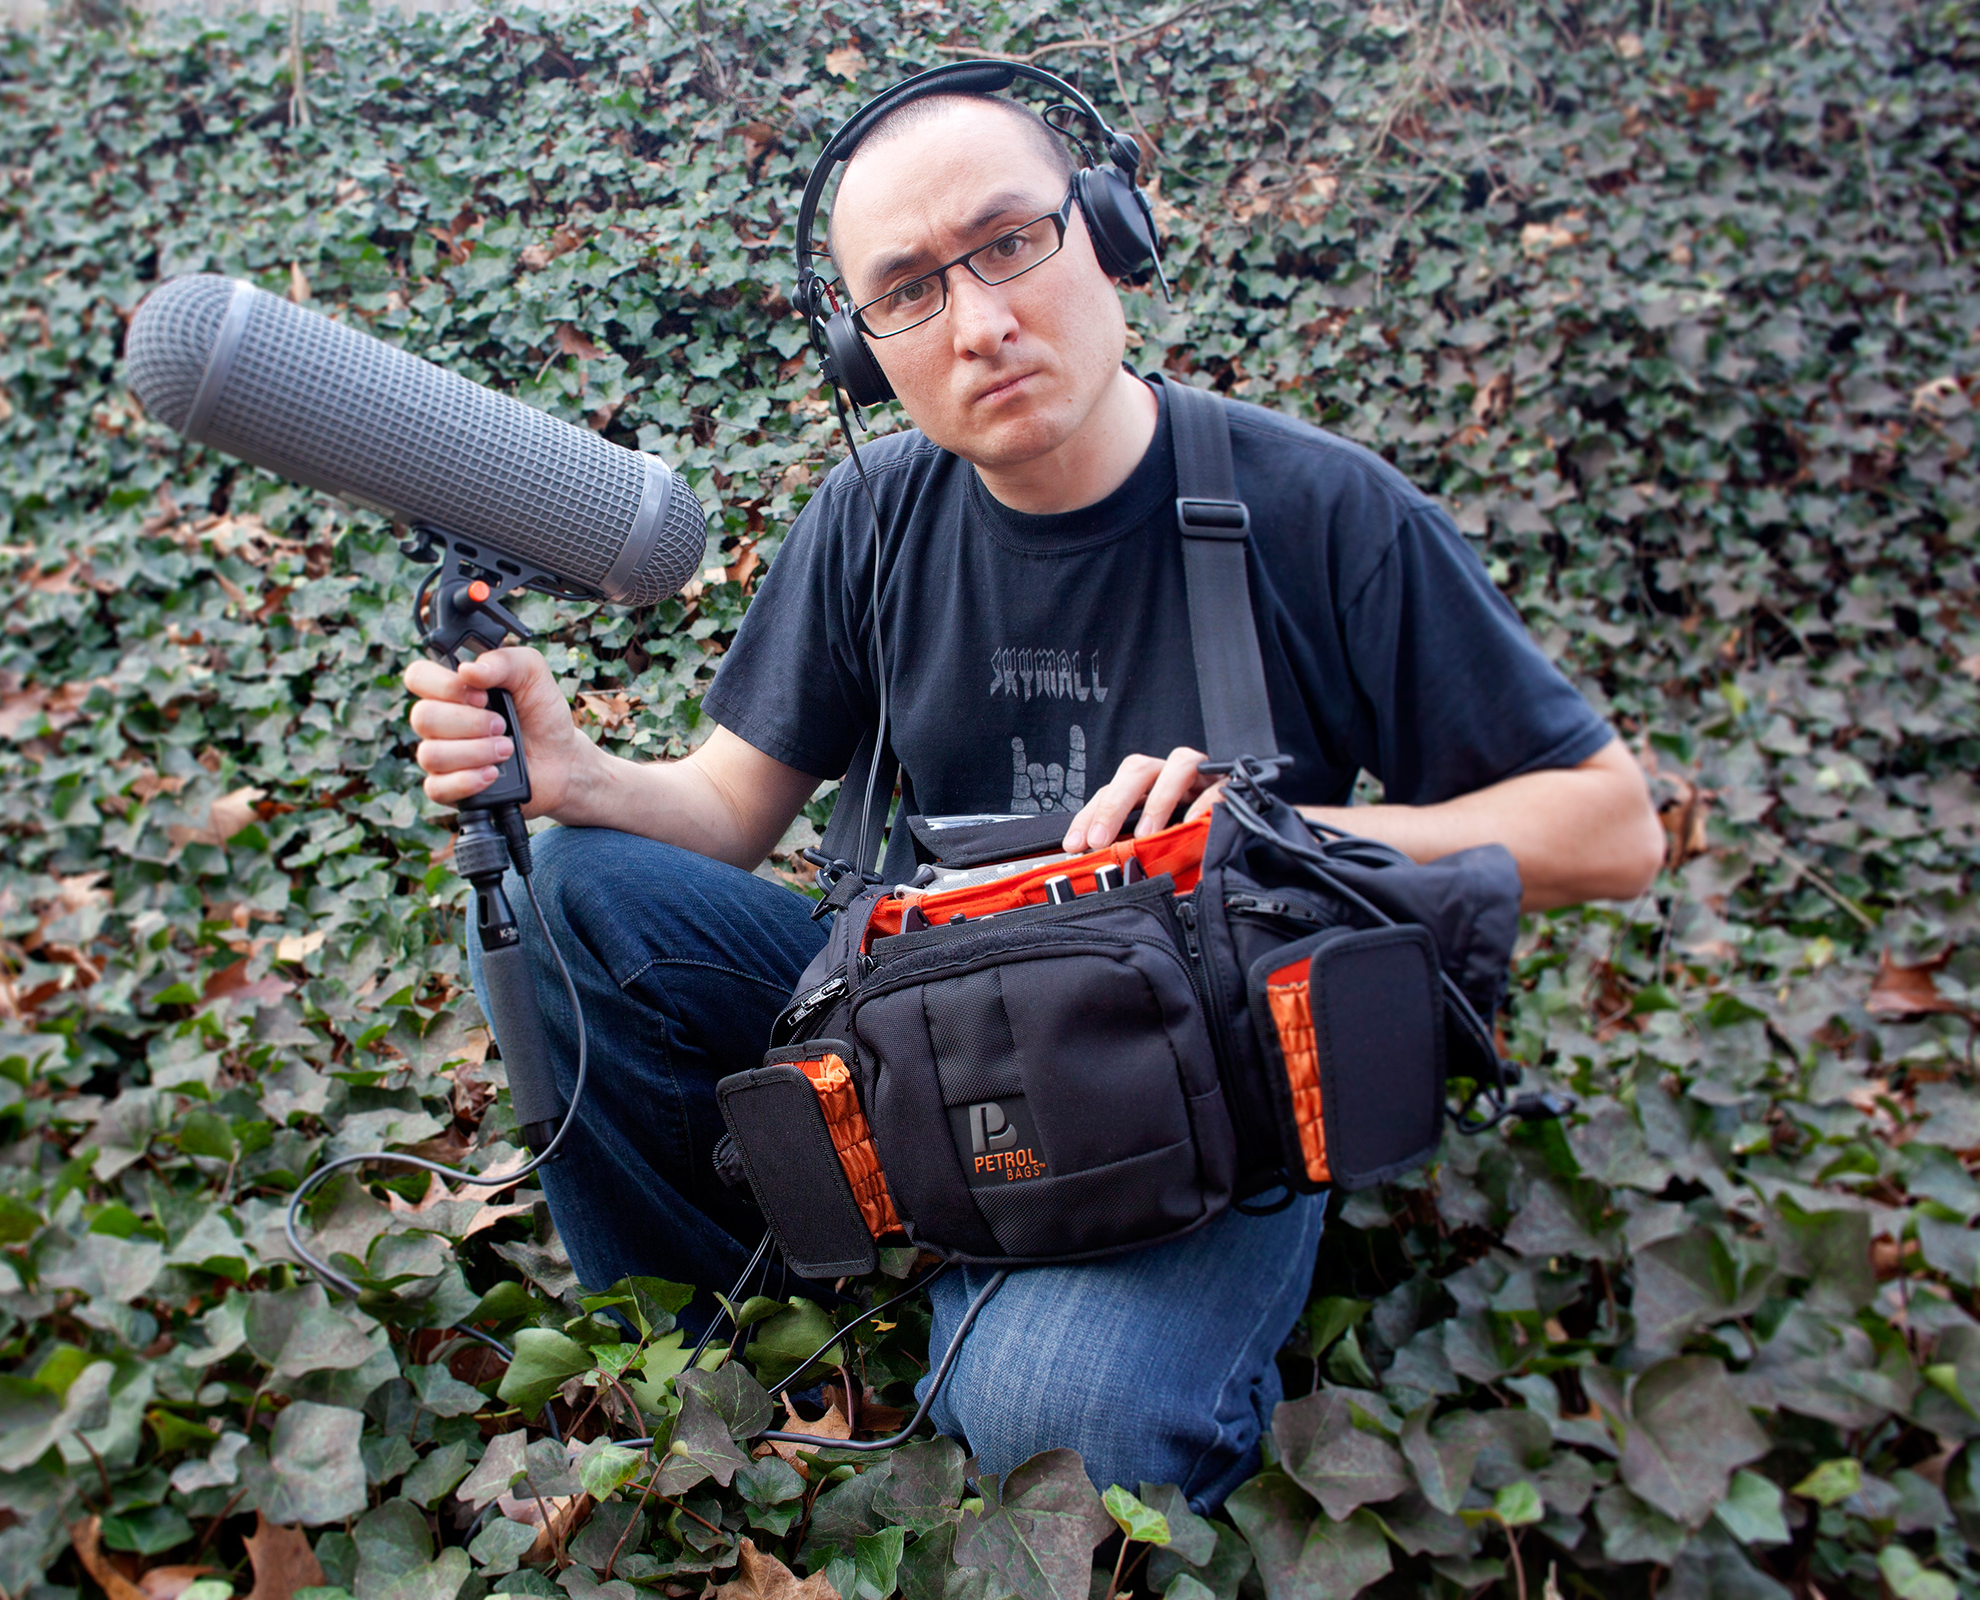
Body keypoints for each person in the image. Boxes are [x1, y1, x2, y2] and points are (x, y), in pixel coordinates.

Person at [404, 86, 1664, 1501]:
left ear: (1112, 229)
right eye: (911, 292)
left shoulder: (1320, 510)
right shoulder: (872, 519)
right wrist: (578, 777)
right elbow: (729, 813)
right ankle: (720, 1330)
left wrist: (1267, 836)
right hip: (926, 1028)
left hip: (1205, 1083)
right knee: (572, 890)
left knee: (1053, 1424)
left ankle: (1025, 1309)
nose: (980, 323)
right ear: (865, 347)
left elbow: (1614, 826)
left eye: (1010, 244)